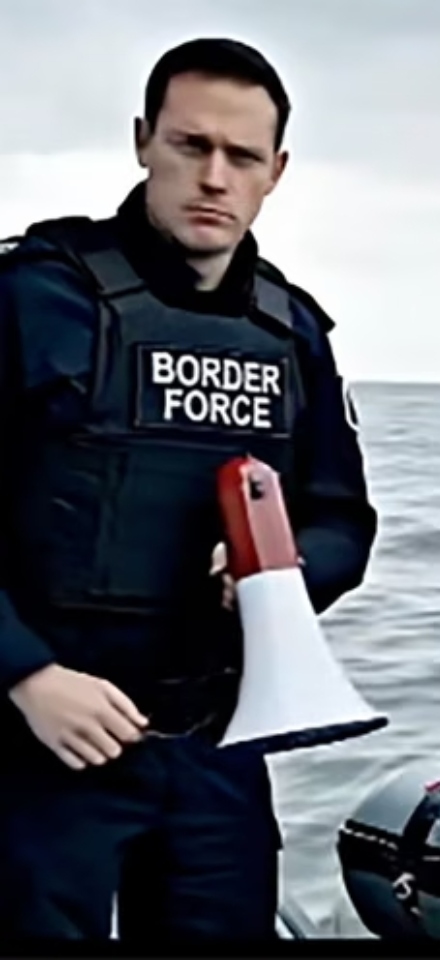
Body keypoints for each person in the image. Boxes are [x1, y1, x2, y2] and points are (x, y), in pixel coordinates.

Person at [0, 38, 377, 939]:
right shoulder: (30, 297)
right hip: (42, 739)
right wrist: (24, 673)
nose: (214, 178)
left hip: (215, 744)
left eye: (242, 156)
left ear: (276, 172)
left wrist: (283, 570)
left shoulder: (290, 331)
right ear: (143, 141)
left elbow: (342, 519)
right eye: (190, 146)